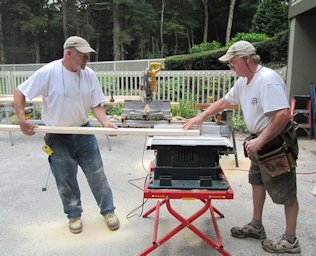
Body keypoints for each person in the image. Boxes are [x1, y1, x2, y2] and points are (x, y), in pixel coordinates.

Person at [183, 40, 300, 254]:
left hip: (275, 142)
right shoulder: (244, 81)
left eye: (233, 62)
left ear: (246, 59)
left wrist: (260, 140)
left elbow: (283, 115)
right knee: (257, 181)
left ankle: (290, 240)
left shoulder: (267, 80)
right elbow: (224, 102)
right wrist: (199, 117)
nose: (231, 67)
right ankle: (256, 225)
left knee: (286, 191)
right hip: (259, 140)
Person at [14, 36, 120, 234]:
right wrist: (21, 119)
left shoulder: (88, 74)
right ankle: (74, 215)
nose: (87, 59)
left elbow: (96, 103)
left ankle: (108, 211)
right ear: (69, 53)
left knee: (97, 174)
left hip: (83, 131)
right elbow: (20, 92)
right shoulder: (49, 72)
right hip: (57, 135)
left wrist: (106, 122)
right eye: (83, 55)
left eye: (88, 55)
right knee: (65, 179)